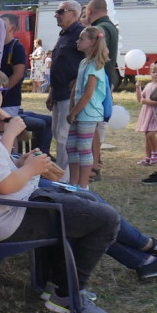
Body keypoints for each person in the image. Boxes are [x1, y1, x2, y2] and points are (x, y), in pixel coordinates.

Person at [0, 65, 119, 313]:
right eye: (2, 92)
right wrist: (31, 168)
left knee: (85, 202)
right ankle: (66, 295)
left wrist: (19, 164)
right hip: (11, 216)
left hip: (8, 209)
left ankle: (58, 285)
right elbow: (3, 186)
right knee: (106, 218)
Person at [0, 111, 157, 279]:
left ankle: (144, 257)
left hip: (21, 194)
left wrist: (17, 161)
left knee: (89, 204)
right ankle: (146, 246)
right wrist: (11, 135)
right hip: (18, 203)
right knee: (91, 209)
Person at [0, 13, 51, 154]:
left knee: (8, 129)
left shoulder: (16, 47)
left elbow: (19, 73)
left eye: (3, 24)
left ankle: (11, 159)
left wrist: (2, 91)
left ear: (12, 27)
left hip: (9, 99)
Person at [46, 0, 85, 181]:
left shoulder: (81, 34)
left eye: (61, 11)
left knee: (64, 137)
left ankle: (64, 180)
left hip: (70, 97)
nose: (57, 15)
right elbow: (59, 64)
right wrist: (51, 92)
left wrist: (79, 78)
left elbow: (99, 59)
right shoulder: (64, 34)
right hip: (59, 93)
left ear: (74, 14)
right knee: (58, 134)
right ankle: (63, 175)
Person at [67, 26, 109, 190]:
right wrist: (71, 110)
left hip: (89, 114)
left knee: (84, 148)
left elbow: (88, 94)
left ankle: (83, 186)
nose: (78, 41)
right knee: (71, 146)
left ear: (92, 42)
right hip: (78, 113)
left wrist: (74, 112)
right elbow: (75, 89)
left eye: (82, 39)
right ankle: (73, 183)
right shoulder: (83, 62)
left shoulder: (95, 65)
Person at [85, 0, 120, 179]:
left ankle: (93, 167)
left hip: (98, 81)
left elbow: (96, 50)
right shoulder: (110, 25)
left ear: (90, 10)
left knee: (93, 125)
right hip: (105, 79)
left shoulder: (101, 28)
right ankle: (95, 164)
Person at [137, 64, 157, 177]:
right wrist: (137, 88)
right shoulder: (149, 85)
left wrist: (148, 102)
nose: (156, 74)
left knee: (151, 135)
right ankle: (148, 157)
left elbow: (148, 101)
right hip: (148, 114)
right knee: (146, 137)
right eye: (153, 71)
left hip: (155, 115)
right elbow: (140, 99)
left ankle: (155, 154)